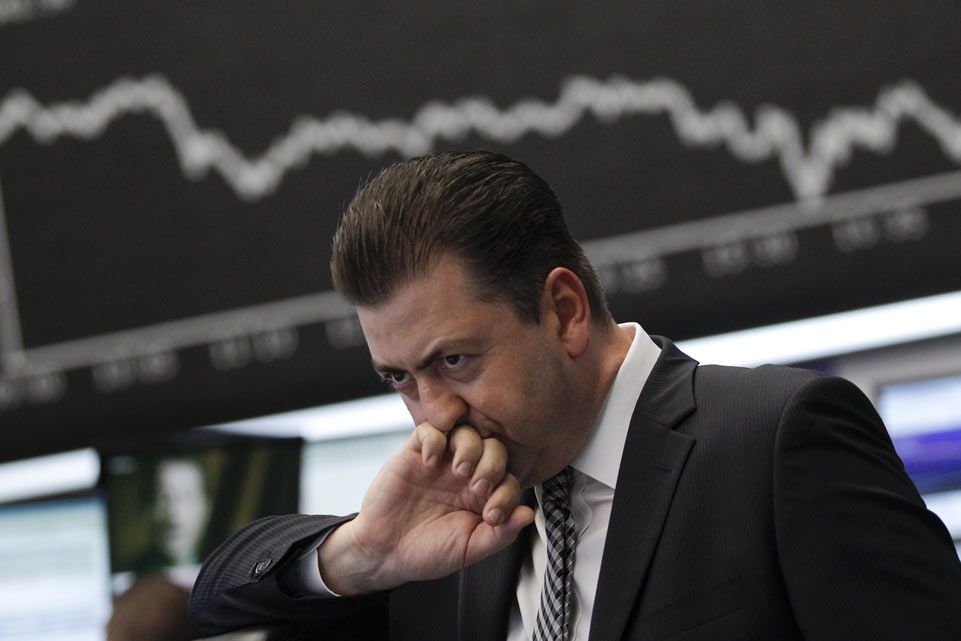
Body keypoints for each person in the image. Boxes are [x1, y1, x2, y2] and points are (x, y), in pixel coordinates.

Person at [189, 151, 961, 640]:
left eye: (454, 359)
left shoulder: (774, 438)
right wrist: (360, 553)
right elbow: (215, 599)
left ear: (563, 311)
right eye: (399, 378)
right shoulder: (440, 535)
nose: (433, 414)